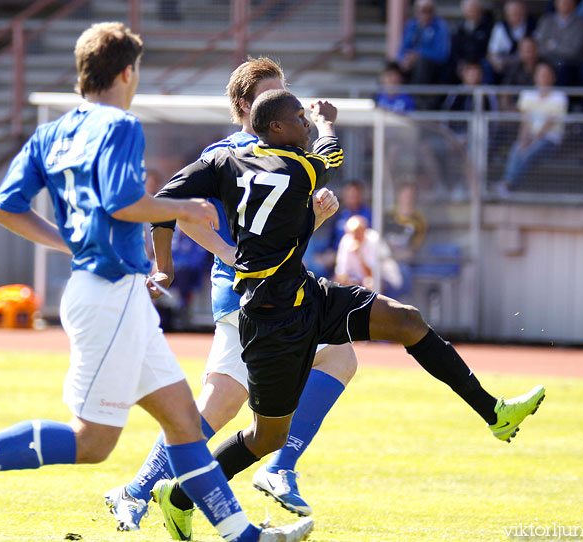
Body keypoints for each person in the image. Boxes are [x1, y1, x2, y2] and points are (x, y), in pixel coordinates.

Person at [0, 23, 313, 542]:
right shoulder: (121, 127)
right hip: (109, 293)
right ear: (128, 72)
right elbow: (120, 204)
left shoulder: (51, 131)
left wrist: (72, 243)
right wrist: (181, 206)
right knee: (94, 443)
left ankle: (243, 534)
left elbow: (5, 208)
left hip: (110, 290)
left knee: (183, 424)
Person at [151, 88, 546, 535]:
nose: (304, 123)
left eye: (305, 117)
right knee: (267, 439)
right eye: (297, 117)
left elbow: (163, 202)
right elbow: (330, 154)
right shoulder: (297, 165)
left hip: (305, 294)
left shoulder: (224, 163)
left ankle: (494, 413)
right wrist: (326, 122)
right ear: (277, 128)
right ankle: (178, 495)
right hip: (271, 319)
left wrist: (162, 267)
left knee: (406, 320)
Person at [104, 57, 358, 536]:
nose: (281, 102)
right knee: (215, 409)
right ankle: (138, 491)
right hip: (246, 300)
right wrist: (227, 253)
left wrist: (316, 218)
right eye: (268, 94)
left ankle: (278, 466)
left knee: (339, 358)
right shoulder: (231, 150)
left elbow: (281, 231)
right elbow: (180, 211)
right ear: (245, 105)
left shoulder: (283, 147)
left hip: (283, 294)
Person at [497, 60, 569, 193]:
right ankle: (507, 183)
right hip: (530, 136)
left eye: (547, 75)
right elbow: (525, 122)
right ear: (535, 77)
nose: (544, 78)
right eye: (541, 74)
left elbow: (549, 124)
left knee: (530, 152)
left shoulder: (560, 97)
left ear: (553, 77)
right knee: (516, 148)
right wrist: (523, 140)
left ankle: (508, 184)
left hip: (550, 140)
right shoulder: (527, 95)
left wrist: (532, 141)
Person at [397, 0, 452, 107]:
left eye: (428, 10)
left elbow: (442, 53)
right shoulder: (411, 25)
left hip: (434, 67)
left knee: (422, 63)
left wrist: (418, 54)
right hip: (411, 64)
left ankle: (418, 99)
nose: (425, 14)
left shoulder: (441, 26)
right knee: (391, 66)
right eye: (422, 10)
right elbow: (402, 49)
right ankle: (388, 99)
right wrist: (403, 59)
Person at [333, 214, 403, 294]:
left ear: (364, 229)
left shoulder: (373, 239)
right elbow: (341, 273)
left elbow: (371, 274)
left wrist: (359, 254)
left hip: (386, 281)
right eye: (352, 233)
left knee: (370, 284)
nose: (355, 236)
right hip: (361, 281)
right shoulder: (347, 240)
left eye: (357, 232)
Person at [534, 0, 583, 86]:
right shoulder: (546, 21)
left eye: (568, 1)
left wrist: (553, 46)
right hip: (548, 62)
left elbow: (574, 52)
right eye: (562, 1)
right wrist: (563, 47)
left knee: (563, 69)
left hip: (571, 65)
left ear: (574, 4)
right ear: (556, 3)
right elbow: (541, 48)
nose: (565, 4)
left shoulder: (581, 24)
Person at [487, 0, 537, 83]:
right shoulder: (500, 27)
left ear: (524, 12)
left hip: (525, 62)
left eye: (519, 12)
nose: (516, 15)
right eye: (513, 12)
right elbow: (492, 52)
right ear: (507, 15)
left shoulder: (532, 26)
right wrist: (497, 62)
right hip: (505, 63)